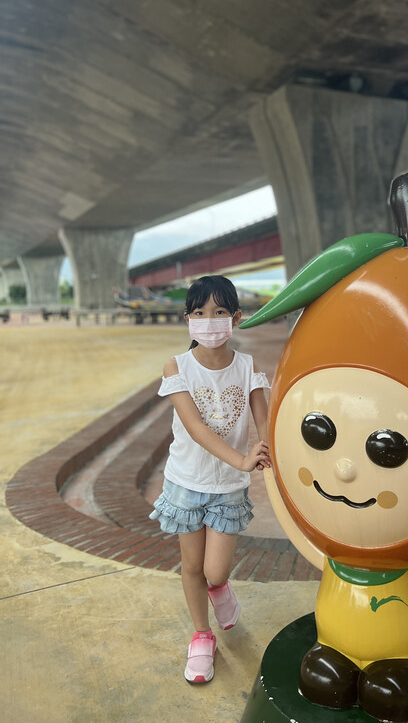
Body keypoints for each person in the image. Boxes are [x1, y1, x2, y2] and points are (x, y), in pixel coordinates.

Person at [150, 275, 271, 684]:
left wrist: (267, 449)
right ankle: (202, 636)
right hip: (186, 482)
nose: (209, 320)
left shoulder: (247, 366)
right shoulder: (177, 367)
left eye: (220, 312)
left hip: (227, 490)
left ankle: (220, 589)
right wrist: (241, 459)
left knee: (215, 571)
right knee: (191, 566)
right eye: (200, 313)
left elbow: (263, 417)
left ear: (236, 318)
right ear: (188, 319)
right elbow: (197, 428)